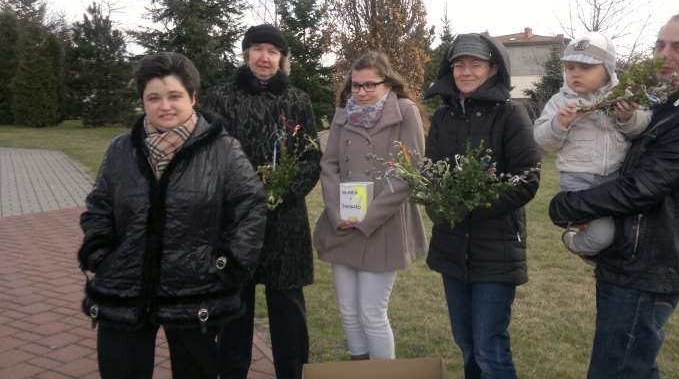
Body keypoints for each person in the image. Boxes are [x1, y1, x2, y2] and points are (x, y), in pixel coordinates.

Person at [549, 13, 679, 379]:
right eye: (660, 44)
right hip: (630, 260)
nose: (665, 54)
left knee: (617, 371)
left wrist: (564, 206)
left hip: (649, 269)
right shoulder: (664, 105)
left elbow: (639, 189)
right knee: (632, 366)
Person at [77, 52, 266, 379]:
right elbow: (100, 204)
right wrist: (99, 249)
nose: (165, 106)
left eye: (175, 96)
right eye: (154, 98)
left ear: (193, 97)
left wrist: (227, 263)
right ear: (143, 102)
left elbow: (250, 208)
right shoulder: (121, 149)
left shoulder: (223, 150)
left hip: (196, 289)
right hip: (126, 286)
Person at [204, 24, 321, 379]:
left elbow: (311, 158)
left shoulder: (297, 100)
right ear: (246, 54)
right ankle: (233, 371)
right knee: (235, 304)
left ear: (282, 58)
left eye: (272, 51)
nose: (265, 57)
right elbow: (207, 154)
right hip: (235, 220)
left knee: (287, 306)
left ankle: (292, 371)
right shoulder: (221, 98)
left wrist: (281, 192)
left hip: (284, 221)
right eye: (257, 49)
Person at [424, 33, 540, 379]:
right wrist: (436, 204)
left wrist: (471, 206)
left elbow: (527, 179)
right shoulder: (444, 118)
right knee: (466, 342)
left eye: (475, 64)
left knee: (490, 347)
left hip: (496, 248)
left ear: (492, 69)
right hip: (451, 246)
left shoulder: (511, 116)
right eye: (459, 64)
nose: (466, 71)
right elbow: (431, 172)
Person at [313, 51, 427, 361]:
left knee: (372, 313)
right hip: (344, 224)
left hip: (384, 224)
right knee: (349, 311)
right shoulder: (342, 114)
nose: (361, 92)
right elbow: (330, 164)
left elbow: (409, 171)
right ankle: (359, 367)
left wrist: (368, 218)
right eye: (355, 86)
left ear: (387, 83)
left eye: (369, 85)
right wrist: (339, 213)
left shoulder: (405, 111)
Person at [534, 32, 651, 258]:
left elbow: (640, 129)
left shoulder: (623, 96)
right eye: (570, 68)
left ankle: (602, 258)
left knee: (623, 232)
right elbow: (542, 141)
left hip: (616, 179)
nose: (575, 73)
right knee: (601, 235)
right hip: (578, 181)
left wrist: (628, 117)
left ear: (607, 69)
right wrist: (560, 123)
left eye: (585, 68)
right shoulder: (560, 102)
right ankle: (575, 243)